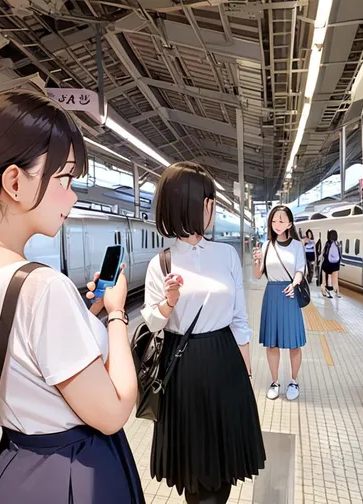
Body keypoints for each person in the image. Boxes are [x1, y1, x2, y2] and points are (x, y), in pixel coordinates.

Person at [0, 90, 144, 503]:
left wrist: (85, 313)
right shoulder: (43, 287)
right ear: (14, 182)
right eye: (64, 179)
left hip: (14, 469)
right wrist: (115, 315)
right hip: (75, 475)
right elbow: (114, 413)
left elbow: (25, 359)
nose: (72, 195)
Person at [142, 161, 266, 504]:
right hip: (184, 367)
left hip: (226, 361)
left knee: (223, 459)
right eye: (209, 201)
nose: (212, 208)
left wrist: (246, 369)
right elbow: (153, 324)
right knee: (195, 463)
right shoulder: (162, 263)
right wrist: (168, 303)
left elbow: (239, 317)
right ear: (192, 205)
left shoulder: (225, 255)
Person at [252, 205, 307, 401]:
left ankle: (293, 381)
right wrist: (256, 261)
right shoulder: (266, 245)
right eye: (274, 220)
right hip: (272, 293)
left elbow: (300, 269)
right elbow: (257, 275)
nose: (277, 224)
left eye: (282, 220)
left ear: (290, 223)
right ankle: (275, 381)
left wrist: (294, 283)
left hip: (290, 294)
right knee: (272, 343)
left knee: (293, 343)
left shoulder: (297, 246)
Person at [321, 229, 342, 299]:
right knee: (335, 280)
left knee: (325, 281)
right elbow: (340, 254)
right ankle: (338, 293)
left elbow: (324, 254)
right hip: (335, 265)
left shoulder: (327, 244)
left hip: (327, 265)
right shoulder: (338, 244)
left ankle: (325, 292)